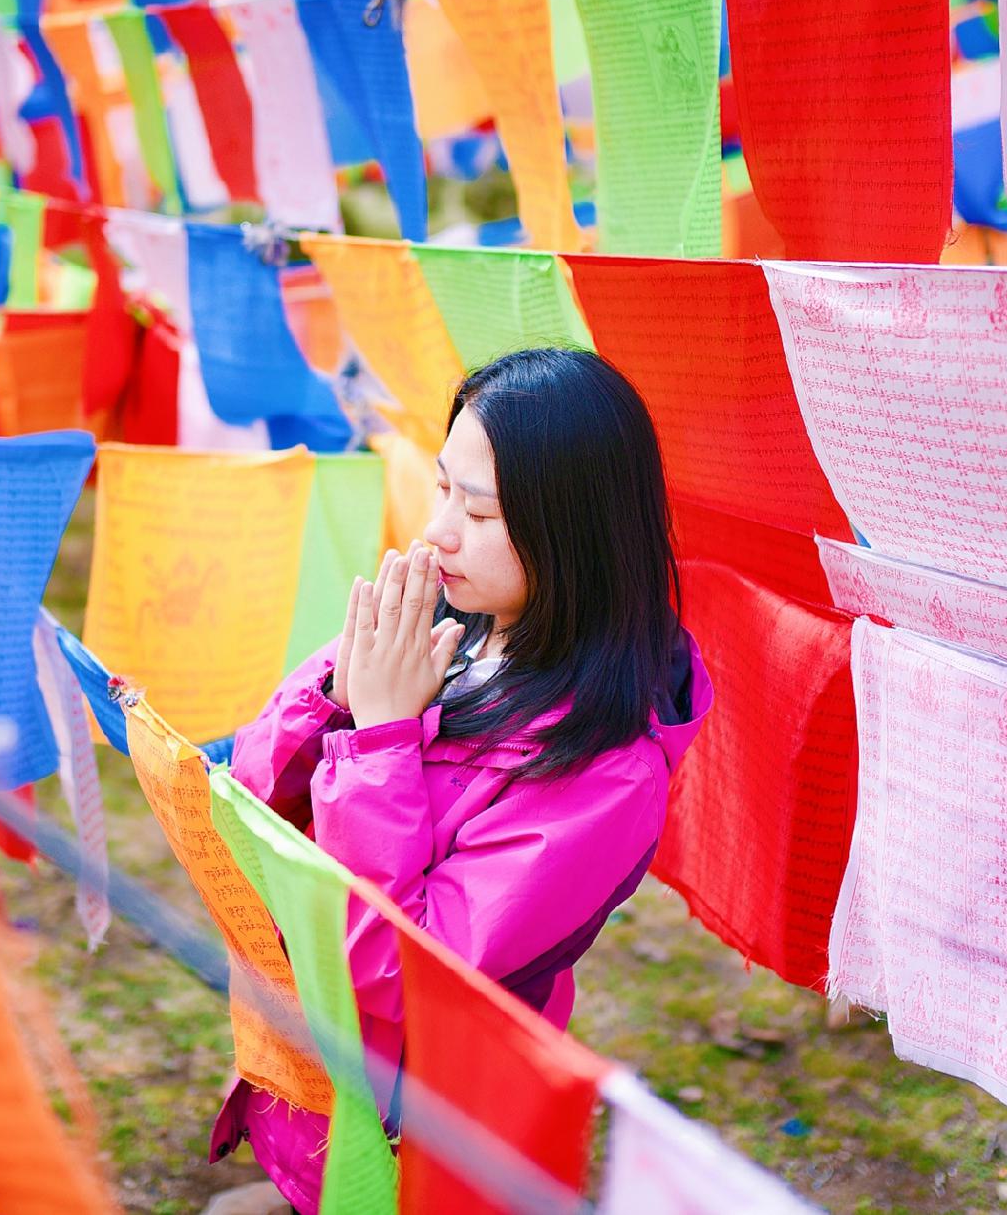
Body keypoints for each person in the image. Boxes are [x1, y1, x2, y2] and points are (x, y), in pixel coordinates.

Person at [210, 348, 715, 1211]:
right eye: (443, 487)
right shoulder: (453, 622)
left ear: (574, 533)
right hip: (319, 1067)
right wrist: (335, 698)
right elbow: (254, 811)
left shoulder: (606, 773)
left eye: (477, 510)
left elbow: (411, 976)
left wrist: (381, 739)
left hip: (426, 1120)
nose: (438, 528)